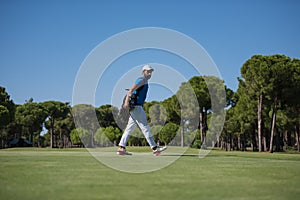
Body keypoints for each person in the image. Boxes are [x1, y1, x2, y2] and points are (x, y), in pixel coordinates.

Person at [117, 65, 167, 156]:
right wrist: (126, 102)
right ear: (143, 72)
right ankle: (155, 148)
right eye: (148, 71)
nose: (150, 73)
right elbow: (131, 90)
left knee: (129, 128)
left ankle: (121, 148)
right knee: (145, 128)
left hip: (135, 108)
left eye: (151, 72)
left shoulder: (145, 81)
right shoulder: (141, 80)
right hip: (137, 107)